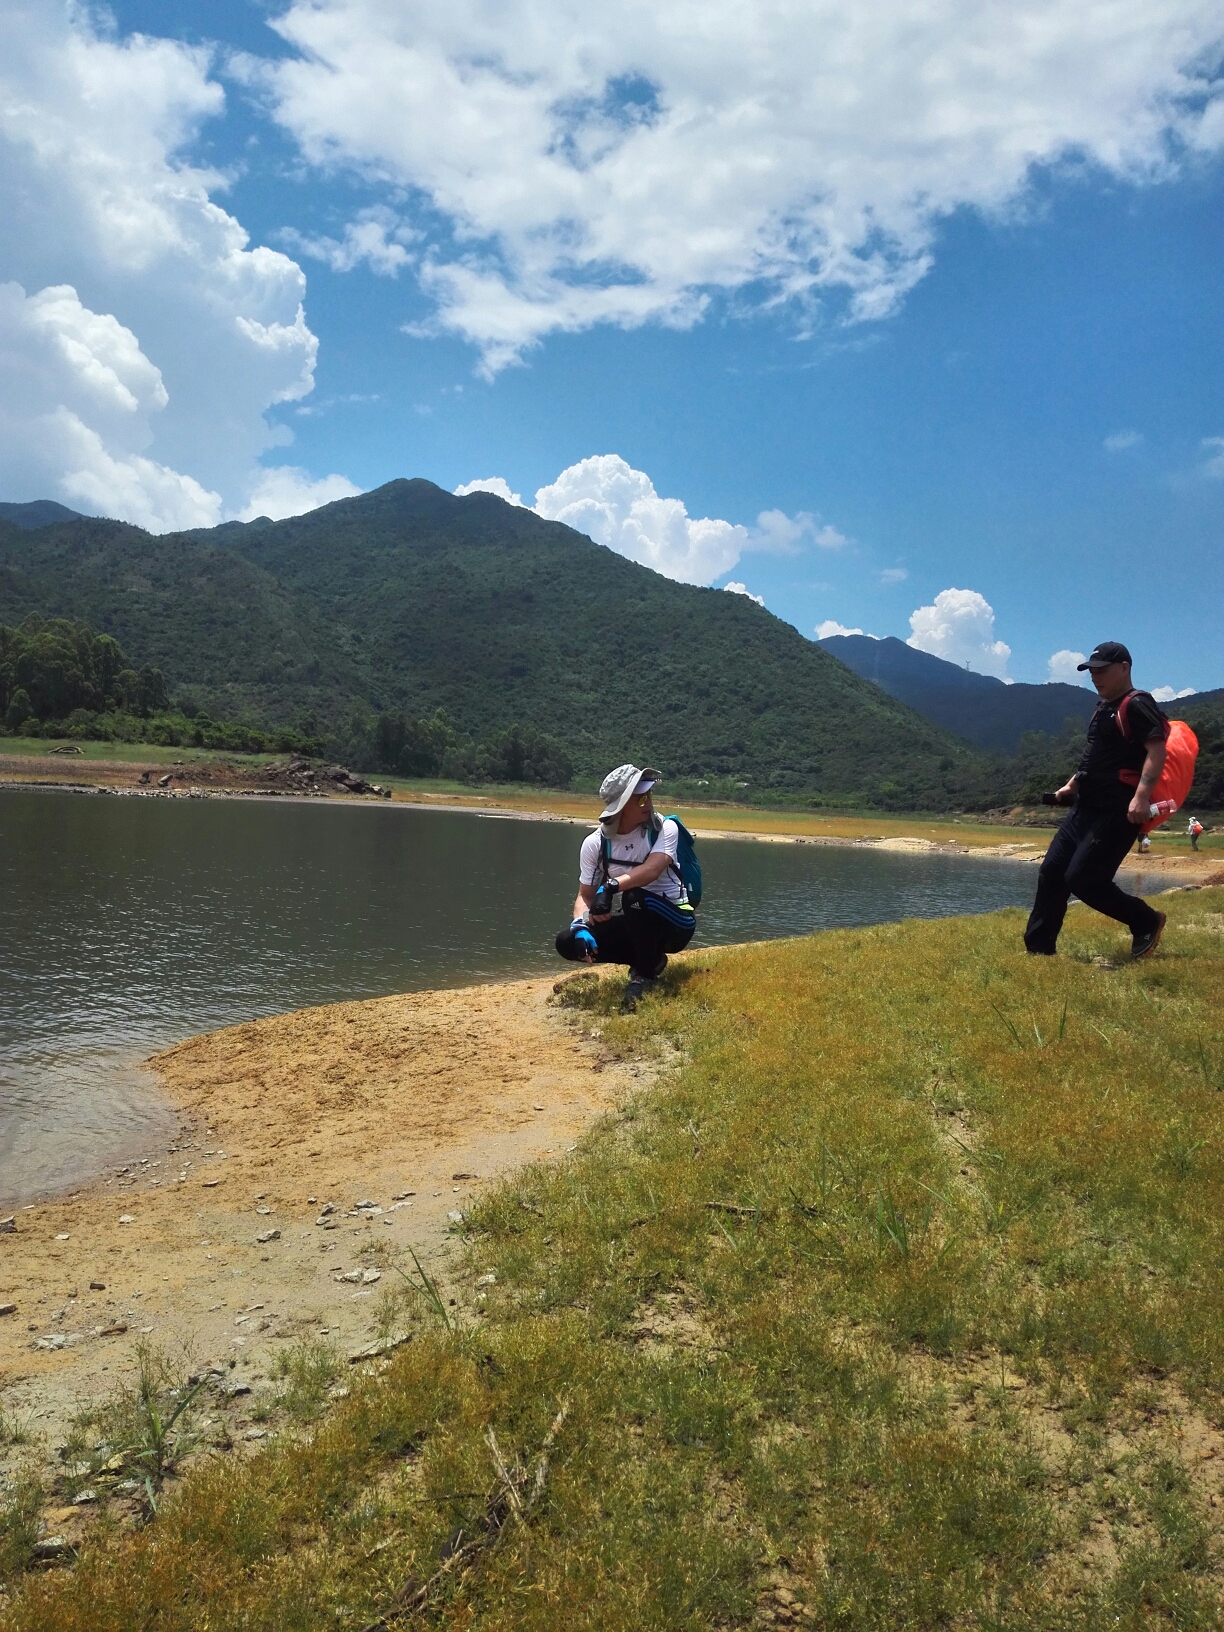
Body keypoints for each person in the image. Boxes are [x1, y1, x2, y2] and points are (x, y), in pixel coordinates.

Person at [1024, 641, 1169, 959]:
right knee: (1052, 872)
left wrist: (1141, 796)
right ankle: (1039, 950)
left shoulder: (1137, 704)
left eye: (1102, 670)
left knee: (1084, 879)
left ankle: (1146, 920)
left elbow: (1157, 750)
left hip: (1116, 810)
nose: (1095, 676)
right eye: (1091, 671)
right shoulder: (1103, 708)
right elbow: (1094, 759)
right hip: (1084, 808)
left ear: (1124, 668)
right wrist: (1071, 785)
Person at [555, 764, 696, 1009]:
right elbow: (585, 896)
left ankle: (644, 976)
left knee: (634, 897)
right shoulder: (595, 844)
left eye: (649, 794)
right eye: (641, 798)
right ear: (621, 806)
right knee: (566, 941)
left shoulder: (665, 828)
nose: (649, 802)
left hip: (676, 922)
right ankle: (651, 959)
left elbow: (652, 869)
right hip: (638, 921)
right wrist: (580, 925)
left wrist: (610, 887)